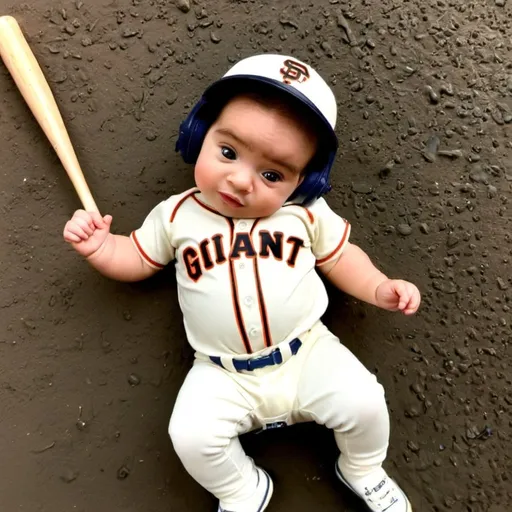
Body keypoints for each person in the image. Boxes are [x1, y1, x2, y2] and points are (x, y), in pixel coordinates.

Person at [63, 54, 420, 512]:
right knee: (190, 436)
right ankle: (242, 490)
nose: (241, 180)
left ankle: (363, 468)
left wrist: (379, 287)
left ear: (302, 181)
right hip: (221, 372)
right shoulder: (176, 215)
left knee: (366, 403)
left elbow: (342, 257)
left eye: (272, 174)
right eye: (228, 152)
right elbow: (135, 256)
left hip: (307, 353)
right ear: (199, 134)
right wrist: (99, 248)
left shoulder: (305, 213)